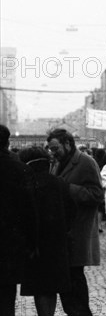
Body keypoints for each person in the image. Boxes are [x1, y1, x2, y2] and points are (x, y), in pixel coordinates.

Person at [47, 128, 103, 316]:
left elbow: (96, 195)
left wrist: (68, 189)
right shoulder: (57, 163)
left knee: (75, 280)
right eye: (50, 149)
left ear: (68, 144)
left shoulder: (86, 162)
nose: (52, 152)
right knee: (67, 281)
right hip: (62, 230)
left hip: (78, 229)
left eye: (55, 148)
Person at [18, 146, 75, 316]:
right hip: (56, 244)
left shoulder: (26, 184)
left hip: (34, 245)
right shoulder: (60, 184)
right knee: (49, 288)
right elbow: (72, 211)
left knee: (39, 287)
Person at [0, 125, 36, 316]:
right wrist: (31, 242)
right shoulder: (20, 168)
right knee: (6, 295)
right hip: (9, 242)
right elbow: (29, 209)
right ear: (7, 143)